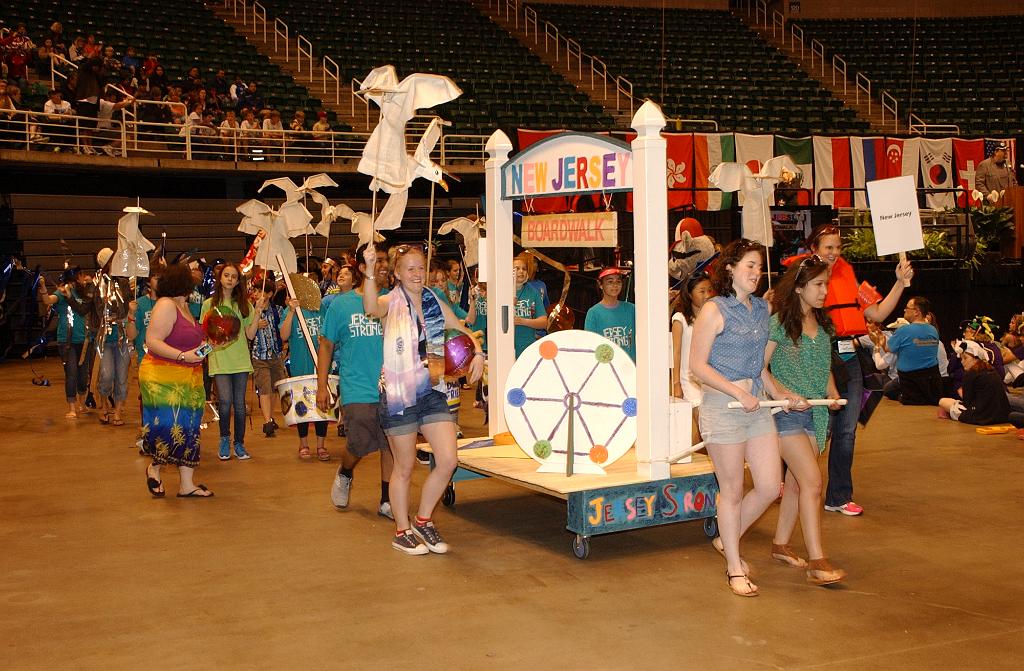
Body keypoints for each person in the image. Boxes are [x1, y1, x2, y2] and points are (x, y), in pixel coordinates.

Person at [361, 243, 484, 555]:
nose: (417, 273)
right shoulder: (391, 300)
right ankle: (402, 531)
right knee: (403, 467)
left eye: (420, 267)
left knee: (447, 460)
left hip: (432, 389)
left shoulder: (432, 299)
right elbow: (370, 308)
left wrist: (479, 353)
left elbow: (460, 327)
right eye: (410, 268)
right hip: (398, 393)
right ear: (399, 274)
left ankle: (423, 520)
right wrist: (371, 270)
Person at [689, 238, 796, 597]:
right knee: (731, 491)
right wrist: (737, 392)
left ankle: (727, 537)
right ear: (730, 268)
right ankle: (734, 567)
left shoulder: (761, 310)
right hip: (723, 408)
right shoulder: (713, 309)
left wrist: (780, 393)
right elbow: (696, 366)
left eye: (759, 266)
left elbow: (758, 367)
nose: (756, 272)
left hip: (756, 405)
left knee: (769, 486)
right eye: (749, 265)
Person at [786, 223, 913, 516]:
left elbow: (878, 313)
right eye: (828, 247)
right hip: (818, 355)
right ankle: (794, 484)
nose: (834, 253)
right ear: (814, 248)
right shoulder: (802, 279)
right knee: (813, 427)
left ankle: (839, 496)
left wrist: (899, 283)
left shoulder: (848, 275)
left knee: (846, 430)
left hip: (849, 356)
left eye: (838, 247)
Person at [765, 255, 847, 586]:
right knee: (813, 483)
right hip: (786, 415)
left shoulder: (824, 326)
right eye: (818, 284)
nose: (825, 291)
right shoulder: (778, 324)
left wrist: (833, 392)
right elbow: (758, 366)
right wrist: (782, 393)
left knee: (800, 483)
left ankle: (780, 544)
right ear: (799, 288)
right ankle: (817, 560)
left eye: (826, 283)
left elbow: (823, 366)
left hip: (817, 413)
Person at [317, 249, 394, 517]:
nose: (384, 266)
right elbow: (326, 344)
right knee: (359, 442)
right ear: (363, 267)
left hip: (392, 386)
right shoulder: (341, 305)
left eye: (386, 261)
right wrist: (321, 385)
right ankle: (346, 472)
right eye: (378, 261)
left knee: (392, 444)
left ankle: (387, 499)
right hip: (357, 386)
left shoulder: (394, 301)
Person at [140, 263, 212, 498]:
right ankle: (155, 468)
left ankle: (186, 485)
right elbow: (152, 341)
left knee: (189, 429)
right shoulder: (166, 305)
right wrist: (182, 356)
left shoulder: (186, 307)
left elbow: (194, 345)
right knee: (169, 426)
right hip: (163, 377)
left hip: (189, 378)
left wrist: (214, 343)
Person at [201, 262, 261, 461]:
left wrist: (258, 312)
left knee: (240, 404)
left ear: (237, 282)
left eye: (234, 276)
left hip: (241, 360)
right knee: (225, 402)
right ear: (220, 278)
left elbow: (250, 334)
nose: (229, 279)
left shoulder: (244, 306)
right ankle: (224, 439)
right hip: (219, 360)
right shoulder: (208, 305)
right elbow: (205, 335)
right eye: (226, 275)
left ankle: (240, 443)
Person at [282, 291, 330, 461]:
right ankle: (303, 444)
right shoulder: (290, 310)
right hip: (300, 366)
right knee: (301, 406)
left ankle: (321, 445)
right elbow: (283, 335)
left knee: (322, 406)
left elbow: (329, 332)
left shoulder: (321, 308)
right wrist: (291, 311)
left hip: (321, 366)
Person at [39, 268, 90, 418]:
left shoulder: (84, 293)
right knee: (71, 373)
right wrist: (42, 286)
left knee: (83, 375)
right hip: (67, 341)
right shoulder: (61, 293)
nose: (83, 278)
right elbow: (48, 301)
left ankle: (83, 403)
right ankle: (72, 407)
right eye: (80, 276)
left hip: (84, 339)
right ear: (74, 279)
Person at [938, 340, 1012, 426]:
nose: (962, 362)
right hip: (1001, 415)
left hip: (980, 416)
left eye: (965, 358)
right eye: (961, 358)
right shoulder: (992, 370)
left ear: (976, 358)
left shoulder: (970, 375)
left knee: (943, 401)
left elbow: (967, 402)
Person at [884, 297, 942, 405]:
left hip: (910, 382)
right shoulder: (933, 330)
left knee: (887, 389)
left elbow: (888, 348)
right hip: (932, 381)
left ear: (916, 312)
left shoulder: (904, 330)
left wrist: (880, 341)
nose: (904, 310)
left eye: (907, 308)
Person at [249, 270, 285, 438]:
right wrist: (257, 320)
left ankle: (271, 416)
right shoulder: (249, 310)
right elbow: (248, 332)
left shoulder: (277, 310)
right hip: (259, 356)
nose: (256, 293)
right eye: (255, 290)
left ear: (270, 294)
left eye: (260, 290)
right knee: (264, 388)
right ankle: (267, 420)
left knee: (274, 388)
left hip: (276, 355)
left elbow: (282, 332)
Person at [672, 271, 713, 402]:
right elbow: (676, 353)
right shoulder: (680, 319)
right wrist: (676, 383)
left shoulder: (714, 318)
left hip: (710, 379)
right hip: (689, 379)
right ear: (689, 294)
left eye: (709, 290)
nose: (707, 295)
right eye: (702, 291)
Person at [584, 267, 636, 361]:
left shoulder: (632, 309)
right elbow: (590, 345)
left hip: (630, 368)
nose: (615, 285)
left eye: (618, 281)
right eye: (610, 282)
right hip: (607, 369)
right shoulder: (593, 313)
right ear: (600, 285)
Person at [512, 252, 547, 358]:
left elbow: (544, 322)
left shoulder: (533, 292)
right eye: (517, 269)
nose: (521, 271)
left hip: (527, 347)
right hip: (506, 347)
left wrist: (523, 321)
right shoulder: (501, 291)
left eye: (524, 269)